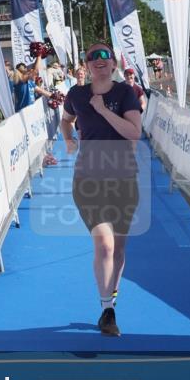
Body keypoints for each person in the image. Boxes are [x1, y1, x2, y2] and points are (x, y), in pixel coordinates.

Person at [60, 43, 143, 338]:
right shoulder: (76, 95)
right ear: (86, 64)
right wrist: (69, 139)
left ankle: (112, 296)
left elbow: (134, 132)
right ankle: (107, 309)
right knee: (105, 245)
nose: (99, 61)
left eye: (105, 57)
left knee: (119, 248)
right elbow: (66, 119)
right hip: (88, 179)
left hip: (123, 179)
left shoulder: (125, 94)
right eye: (93, 57)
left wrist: (102, 110)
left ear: (113, 65)